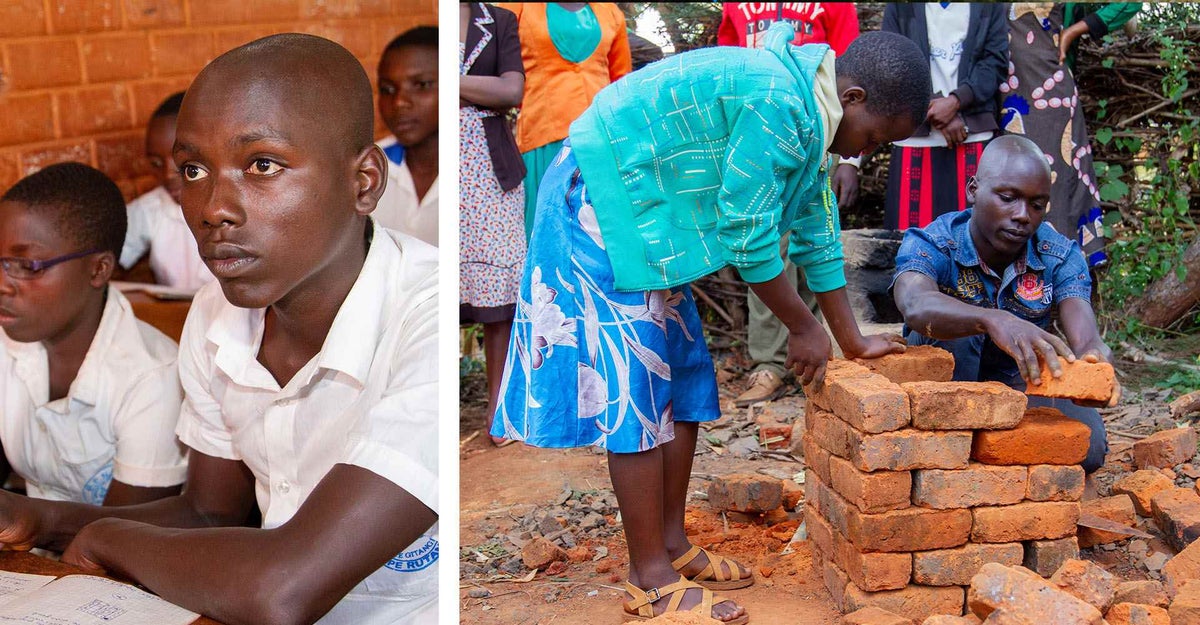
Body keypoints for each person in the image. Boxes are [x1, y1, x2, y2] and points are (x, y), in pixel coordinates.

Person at [493, 24, 929, 622]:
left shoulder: (811, 107)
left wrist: (848, 339)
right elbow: (749, 240)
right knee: (638, 390)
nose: (862, 154)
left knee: (683, 378)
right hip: (603, 201)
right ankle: (648, 576)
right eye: (873, 137)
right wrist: (803, 326)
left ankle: (671, 545)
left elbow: (815, 228)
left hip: (653, 220)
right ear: (852, 97)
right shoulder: (781, 102)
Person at [0, 34, 439, 625]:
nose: (211, 208)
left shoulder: (426, 317)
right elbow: (211, 514)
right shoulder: (215, 315)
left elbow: (285, 587)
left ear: (363, 182)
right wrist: (48, 521)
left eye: (262, 165)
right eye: (193, 170)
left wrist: (108, 540)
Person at [892, 135, 1114, 473]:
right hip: (943, 379)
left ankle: (994, 457)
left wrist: (1096, 364)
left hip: (1017, 377)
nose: (1022, 215)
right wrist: (991, 319)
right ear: (973, 190)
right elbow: (915, 303)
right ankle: (950, 448)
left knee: (1089, 448)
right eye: (1008, 198)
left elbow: (1086, 339)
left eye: (1037, 205)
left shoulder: (1059, 255)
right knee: (960, 327)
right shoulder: (934, 241)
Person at [0, 162, 187, 506]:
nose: (3, 284)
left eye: (27, 266)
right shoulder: (8, 341)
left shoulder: (151, 379)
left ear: (99, 269)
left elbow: (127, 534)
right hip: (36, 554)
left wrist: (32, 523)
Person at [722, 2, 862, 407]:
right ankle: (770, 362)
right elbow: (733, 60)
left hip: (818, 130)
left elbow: (850, 72)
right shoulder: (736, 5)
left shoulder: (835, 5)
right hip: (756, 131)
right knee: (767, 247)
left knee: (816, 238)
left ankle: (817, 358)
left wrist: (849, 159)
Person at [1000, 3, 1139, 268]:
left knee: (1055, 184)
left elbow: (1131, 4)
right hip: (1004, 98)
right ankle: (1011, 276)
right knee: (1007, 183)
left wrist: (1073, 31)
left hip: (1052, 97)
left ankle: (1059, 278)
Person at [497, 2, 631, 239]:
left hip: (600, 139)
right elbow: (500, 72)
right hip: (544, 135)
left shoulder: (610, 11)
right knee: (548, 232)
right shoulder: (516, 7)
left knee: (600, 235)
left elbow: (621, 82)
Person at [461, 2, 528, 446]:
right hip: (447, 167)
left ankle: (498, 406)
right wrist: (474, 88)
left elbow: (510, 91)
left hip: (489, 167)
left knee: (498, 298)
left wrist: (451, 85)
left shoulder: (498, 19)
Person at [880, 2, 1008, 230]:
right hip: (915, 135)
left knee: (972, 238)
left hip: (973, 135)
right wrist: (933, 107)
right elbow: (891, 60)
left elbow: (995, 62)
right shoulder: (901, 7)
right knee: (910, 241)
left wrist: (957, 101)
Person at [119, 92, 214, 292]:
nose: (168, 174)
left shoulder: (237, 206)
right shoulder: (152, 209)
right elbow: (104, 255)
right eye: (155, 163)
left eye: (179, 159)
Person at [375, 26, 439, 246]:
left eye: (421, 85)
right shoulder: (367, 168)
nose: (400, 102)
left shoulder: (473, 171)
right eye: (388, 89)